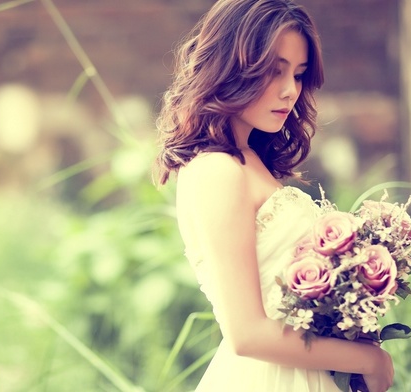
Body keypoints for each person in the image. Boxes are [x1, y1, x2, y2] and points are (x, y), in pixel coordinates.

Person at [154, 1, 395, 391]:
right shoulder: (217, 170)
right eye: (273, 71)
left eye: (298, 75)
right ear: (231, 67)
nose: (290, 91)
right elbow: (247, 333)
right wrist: (370, 359)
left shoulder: (247, 159)